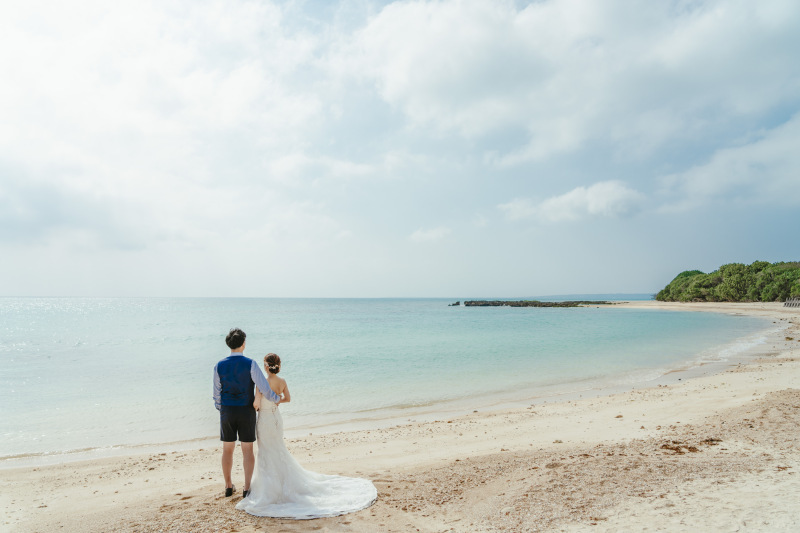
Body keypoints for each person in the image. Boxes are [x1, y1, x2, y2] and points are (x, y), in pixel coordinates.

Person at [236, 353, 377, 519]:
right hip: (276, 418)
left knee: (266, 451)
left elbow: (256, 403)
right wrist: (277, 402)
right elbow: (288, 398)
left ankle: (269, 488)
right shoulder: (282, 382)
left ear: (266, 366)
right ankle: (280, 483)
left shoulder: (261, 384)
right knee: (278, 449)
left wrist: (251, 407)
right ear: (277, 365)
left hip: (265, 420)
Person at [213, 328, 281, 498]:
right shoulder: (250, 363)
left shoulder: (219, 365)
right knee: (247, 450)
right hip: (246, 411)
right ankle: (246, 487)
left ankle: (228, 486)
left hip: (227, 411)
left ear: (229, 344)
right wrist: (275, 398)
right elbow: (263, 387)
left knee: (227, 450)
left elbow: (217, 392)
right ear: (243, 344)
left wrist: (222, 408)